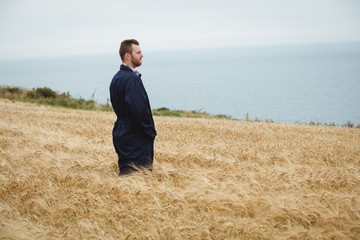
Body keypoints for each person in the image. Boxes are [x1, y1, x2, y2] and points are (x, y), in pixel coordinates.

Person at [109, 39, 157, 175]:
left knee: (127, 178)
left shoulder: (117, 77)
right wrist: (150, 132)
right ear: (128, 56)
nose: (142, 55)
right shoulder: (131, 79)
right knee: (139, 178)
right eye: (138, 52)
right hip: (136, 137)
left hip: (121, 133)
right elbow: (139, 110)